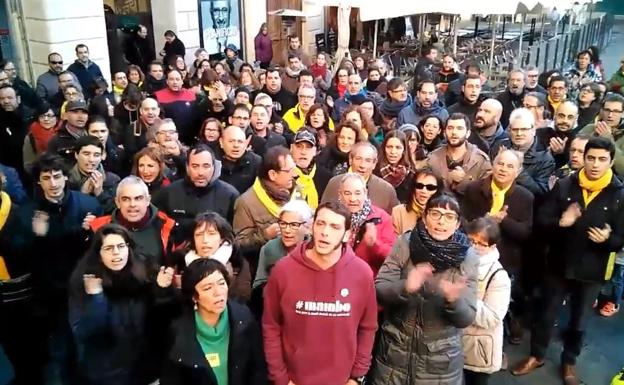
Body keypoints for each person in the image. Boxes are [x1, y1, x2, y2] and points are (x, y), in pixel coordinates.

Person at [512, 137, 624, 385]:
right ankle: (536, 355)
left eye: (602, 159)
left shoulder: (619, 194)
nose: (595, 164)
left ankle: (569, 362)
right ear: (584, 158)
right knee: (546, 311)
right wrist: (560, 223)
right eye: (591, 158)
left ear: (611, 161)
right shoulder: (564, 185)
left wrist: (608, 239)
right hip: (559, 263)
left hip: (592, 269)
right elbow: (541, 221)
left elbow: (621, 239)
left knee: (579, 319)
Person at [263, 200, 377, 385]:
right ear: (312, 227)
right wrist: (281, 378)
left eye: (334, 226)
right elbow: (271, 326)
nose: (325, 232)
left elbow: (368, 327)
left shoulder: (361, 273)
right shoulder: (283, 270)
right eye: (321, 223)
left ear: (347, 234)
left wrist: (356, 377)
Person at [370, 193, 478, 385]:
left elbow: (467, 317)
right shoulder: (406, 243)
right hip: (394, 356)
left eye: (449, 216)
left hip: (439, 365)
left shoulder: (467, 255)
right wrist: (406, 288)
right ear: (425, 217)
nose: (441, 221)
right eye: (435, 213)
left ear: (457, 223)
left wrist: (454, 301)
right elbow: (379, 288)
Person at [28, 153, 103, 384]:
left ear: (65, 178)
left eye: (57, 176)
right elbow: (24, 255)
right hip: (53, 294)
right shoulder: (29, 212)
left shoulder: (88, 204)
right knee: (62, 353)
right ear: (39, 182)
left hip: (85, 287)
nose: (53, 183)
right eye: (47, 178)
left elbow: (100, 246)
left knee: (92, 347)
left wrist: (87, 232)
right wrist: (38, 238)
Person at [68, 224, 174, 385]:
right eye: (109, 248)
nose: (116, 253)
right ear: (99, 253)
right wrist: (97, 298)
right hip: (107, 371)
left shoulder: (146, 271)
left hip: (145, 367)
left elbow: (161, 322)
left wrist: (161, 290)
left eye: (120, 246)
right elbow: (84, 332)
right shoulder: (85, 280)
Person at [160, 258, 268, 385]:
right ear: (194, 297)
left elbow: (258, 371)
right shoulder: (179, 332)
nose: (218, 292)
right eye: (207, 288)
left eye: (221, 283)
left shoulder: (244, 319)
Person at [462, 217, 512, 385]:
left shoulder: (498, 276)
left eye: (481, 244)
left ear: (492, 246)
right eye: (471, 241)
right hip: (455, 343)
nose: (474, 247)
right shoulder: (459, 261)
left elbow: (492, 317)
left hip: (478, 349)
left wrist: (462, 296)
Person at [90, 176, 179, 267]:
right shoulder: (100, 228)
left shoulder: (166, 226)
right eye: (126, 199)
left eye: (138, 198)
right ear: (117, 202)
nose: (132, 204)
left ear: (148, 200)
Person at [153, 143, 239, 235]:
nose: (200, 172)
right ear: (187, 167)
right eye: (195, 166)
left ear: (213, 167)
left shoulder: (230, 195)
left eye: (206, 166)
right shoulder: (169, 193)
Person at [233, 146, 297, 266]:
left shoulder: (296, 192)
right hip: (263, 268)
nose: (294, 174)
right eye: (289, 171)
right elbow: (239, 245)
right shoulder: (246, 202)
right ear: (273, 174)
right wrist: (266, 234)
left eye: (294, 168)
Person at [174, 212, 252, 303]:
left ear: (222, 239)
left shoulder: (237, 263)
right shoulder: (182, 263)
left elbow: (242, 297)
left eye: (211, 234)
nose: (205, 240)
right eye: (199, 234)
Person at [338, 173, 396, 276]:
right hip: (337, 275)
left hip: (367, 278)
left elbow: (393, 257)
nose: (352, 199)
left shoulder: (381, 218)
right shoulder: (332, 215)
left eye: (357, 193)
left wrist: (375, 244)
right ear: (340, 194)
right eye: (347, 193)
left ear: (365, 193)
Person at [322, 141, 400, 214]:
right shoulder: (334, 183)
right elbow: (322, 214)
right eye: (358, 159)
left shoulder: (386, 190)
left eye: (368, 160)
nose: (362, 165)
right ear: (350, 160)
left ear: (374, 163)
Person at [253, 199, 313, 290]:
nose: (287, 230)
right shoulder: (269, 248)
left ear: (307, 227)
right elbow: (258, 285)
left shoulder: (315, 249)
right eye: (283, 224)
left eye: (294, 225)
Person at [427, 113, 492, 196]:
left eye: (459, 128)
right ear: (444, 133)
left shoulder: (481, 161)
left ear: (468, 133)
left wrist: (465, 181)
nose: (454, 132)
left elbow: (486, 194)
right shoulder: (432, 158)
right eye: (450, 128)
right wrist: (448, 178)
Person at [508, 108, 556, 197]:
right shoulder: (501, 146)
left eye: (524, 129)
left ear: (533, 130)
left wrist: (518, 170)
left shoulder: (545, 158)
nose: (519, 133)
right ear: (510, 130)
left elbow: (540, 192)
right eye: (515, 129)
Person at [68, 135, 120, 213]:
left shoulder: (112, 180)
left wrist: (100, 193)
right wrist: (82, 195)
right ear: (76, 155)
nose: (91, 160)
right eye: (86, 154)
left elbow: (116, 212)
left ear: (101, 157)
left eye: (96, 155)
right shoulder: (65, 180)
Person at [579, 94, 624, 176]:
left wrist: (609, 139)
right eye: (607, 110)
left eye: (616, 111)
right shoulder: (589, 128)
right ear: (601, 111)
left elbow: (622, 169)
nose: (610, 115)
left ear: (622, 114)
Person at [391, 168, 442, 235]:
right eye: (419, 186)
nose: (423, 191)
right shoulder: (398, 212)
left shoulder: (444, 213)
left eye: (430, 187)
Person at [290, 127, 332, 208]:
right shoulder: (283, 174)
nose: (303, 152)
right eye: (299, 146)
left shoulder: (326, 178)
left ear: (315, 151)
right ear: (291, 148)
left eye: (308, 147)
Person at [155, 69, 197, 144]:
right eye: (171, 79)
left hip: (189, 137)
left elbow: (196, 116)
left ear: (182, 81)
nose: (175, 82)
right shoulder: (158, 96)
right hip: (168, 136)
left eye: (177, 79)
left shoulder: (191, 95)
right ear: (167, 81)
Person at [536, 100, 579, 169]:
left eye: (570, 117)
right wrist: (548, 153)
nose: (565, 121)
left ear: (576, 119)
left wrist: (561, 154)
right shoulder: (539, 134)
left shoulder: (578, 142)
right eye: (561, 116)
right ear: (555, 115)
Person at [47, 99, 90, 166]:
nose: (81, 116)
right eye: (75, 112)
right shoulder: (56, 140)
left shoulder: (93, 134)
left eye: (84, 112)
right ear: (65, 115)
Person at [374, 129, 413, 202]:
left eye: (398, 147)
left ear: (404, 150)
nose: (393, 152)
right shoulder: (374, 170)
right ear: (384, 148)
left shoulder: (411, 175)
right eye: (389, 147)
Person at [23, 103, 61, 174]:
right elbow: (28, 164)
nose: (46, 119)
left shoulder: (64, 132)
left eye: (49, 116)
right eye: (42, 116)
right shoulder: (31, 136)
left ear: (56, 117)